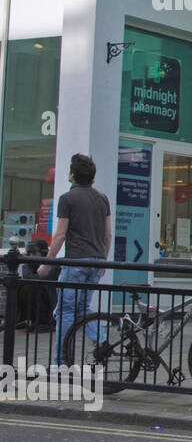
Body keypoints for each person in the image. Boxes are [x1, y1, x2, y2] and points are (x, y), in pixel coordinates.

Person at [39, 154, 111, 367]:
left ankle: (61, 361)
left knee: (66, 311)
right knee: (82, 309)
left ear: (72, 174)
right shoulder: (102, 198)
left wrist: (47, 263)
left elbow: (60, 235)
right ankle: (102, 339)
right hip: (97, 261)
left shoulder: (67, 199)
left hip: (76, 261)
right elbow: (108, 235)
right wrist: (104, 260)